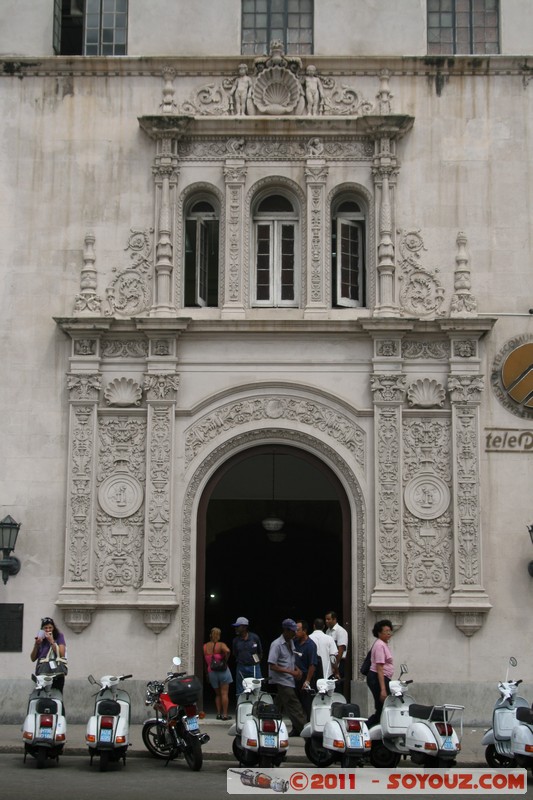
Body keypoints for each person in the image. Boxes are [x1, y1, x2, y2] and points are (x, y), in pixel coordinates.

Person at [267, 618, 307, 738]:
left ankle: (270, 729)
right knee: (295, 707)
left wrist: (296, 669)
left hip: (289, 679)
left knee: (277, 707)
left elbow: (289, 659)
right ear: (286, 630)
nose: (295, 634)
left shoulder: (291, 642)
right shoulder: (276, 644)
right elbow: (272, 665)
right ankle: (307, 734)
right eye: (293, 631)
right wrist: (290, 672)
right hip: (282, 680)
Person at [366, 619, 394, 728]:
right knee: (382, 707)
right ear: (379, 633)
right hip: (377, 678)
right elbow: (380, 668)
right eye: (385, 631)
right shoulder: (379, 645)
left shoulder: (383, 644)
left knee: (383, 707)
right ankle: (367, 727)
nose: (388, 633)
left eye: (389, 631)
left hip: (382, 678)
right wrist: (383, 689)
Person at [30, 616, 67, 693]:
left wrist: (51, 641)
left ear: (53, 628)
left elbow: (61, 654)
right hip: (42, 673)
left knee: (56, 697)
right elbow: (33, 658)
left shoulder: (59, 636)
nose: (48, 630)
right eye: (45, 628)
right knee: (42, 696)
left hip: (56, 674)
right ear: (42, 629)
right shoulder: (41, 638)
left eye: (50, 627)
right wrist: (36, 645)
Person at [203, 626, 233, 720]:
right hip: (223, 671)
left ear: (210, 635)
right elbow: (227, 650)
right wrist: (225, 659)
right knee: (224, 693)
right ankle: (225, 715)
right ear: (219, 635)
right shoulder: (221, 645)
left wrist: (206, 674)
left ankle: (218, 713)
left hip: (211, 672)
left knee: (218, 694)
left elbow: (205, 661)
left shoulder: (205, 646)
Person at [231, 616, 263, 696]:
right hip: (241, 667)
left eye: (238, 627)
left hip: (254, 667)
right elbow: (235, 653)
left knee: (257, 687)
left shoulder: (254, 638)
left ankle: (255, 707)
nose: (236, 628)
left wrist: (256, 662)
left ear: (244, 627)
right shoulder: (235, 641)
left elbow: (260, 652)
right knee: (240, 690)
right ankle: (240, 707)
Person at [294, 619, 318, 720]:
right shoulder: (294, 643)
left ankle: (309, 726)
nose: (295, 632)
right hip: (295, 676)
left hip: (305, 677)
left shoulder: (311, 645)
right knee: (296, 705)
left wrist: (307, 681)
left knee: (307, 704)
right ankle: (297, 727)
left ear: (304, 631)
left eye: (297, 630)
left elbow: (312, 664)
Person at [325, 611, 348, 679]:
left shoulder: (340, 631)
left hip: (339, 662)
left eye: (328, 619)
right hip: (330, 662)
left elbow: (340, 650)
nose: (326, 621)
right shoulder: (327, 631)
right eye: (326, 619)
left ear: (334, 619)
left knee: (337, 684)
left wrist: (335, 667)